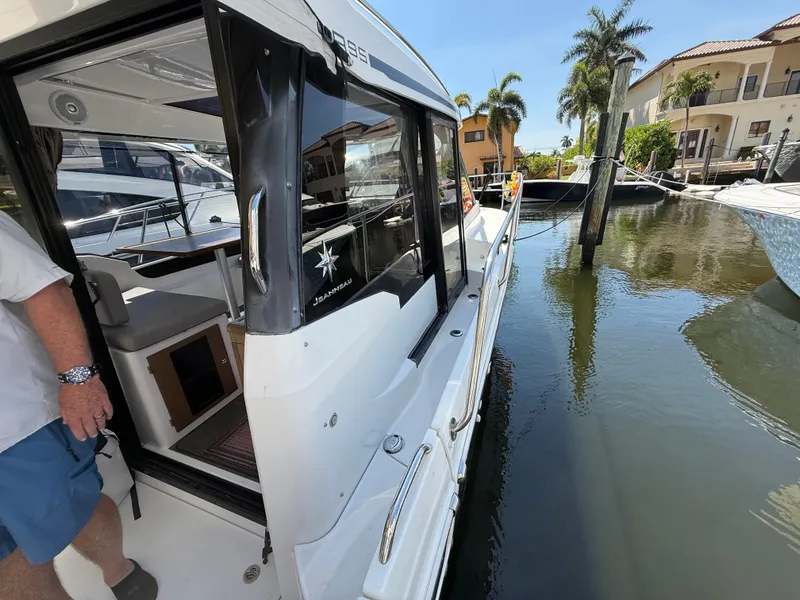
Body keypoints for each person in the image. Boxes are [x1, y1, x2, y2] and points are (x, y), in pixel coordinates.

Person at [0, 209, 157, 600]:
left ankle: (117, 569)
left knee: (76, 511)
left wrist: (79, 380)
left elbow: (44, 289)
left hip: (17, 428)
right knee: (8, 560)